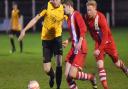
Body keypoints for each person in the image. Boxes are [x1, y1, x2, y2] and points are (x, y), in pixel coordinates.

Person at [18, 0, 64, 89]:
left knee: (59, 63)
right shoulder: (47, 6)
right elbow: (35, 19)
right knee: (47, 69)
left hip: (57, 38)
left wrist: (70, 39)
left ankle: (58, 87)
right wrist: (24, 30)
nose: (53, 1)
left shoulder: (64, 8)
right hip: (46, 40)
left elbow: (71, 22)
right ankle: (52, 76)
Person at [84, 0, 128, 89]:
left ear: (95, 9)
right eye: (87, 10)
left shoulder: (101, 18)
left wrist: (99, 49)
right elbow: (88, 29)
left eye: (90, 10)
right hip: (98, 43)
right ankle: (106, 87)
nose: (88, 12)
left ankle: (124, 68)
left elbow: (105, 37)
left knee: (117, 64)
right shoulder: (86, 17)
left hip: (108, 42)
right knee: (100, 65)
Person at [62, 1, 97, 89]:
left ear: (69, 6)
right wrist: (68, 40)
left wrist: (80, 42)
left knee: (72, 74)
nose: (63, 9)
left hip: (80, 48)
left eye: (64, 7)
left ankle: (91, 77)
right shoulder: (69, 18)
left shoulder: (76, 14)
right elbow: (75, 34)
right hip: (74, 48)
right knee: (67, 75)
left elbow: (83, 29)